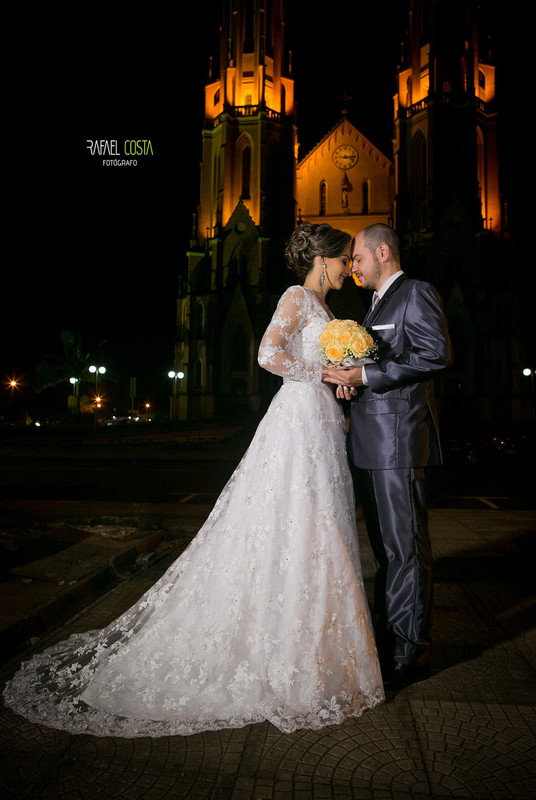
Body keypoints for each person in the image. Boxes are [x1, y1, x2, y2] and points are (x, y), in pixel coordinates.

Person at [3, 222, 384, 737]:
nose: (348, 269)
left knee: (319, 526)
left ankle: (312, 647)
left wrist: (340, 380)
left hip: (321, 418)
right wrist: (322, 374)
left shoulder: (325, 309)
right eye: (343, 260)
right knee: (296, 517)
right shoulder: (296, 297)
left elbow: (310, 357)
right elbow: (267, 354)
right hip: (297, 420)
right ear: (322, 261)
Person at [323, 223, 452, 688]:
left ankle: (411, 653)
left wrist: (366, 377)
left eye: (358, 258)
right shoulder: (377, 302)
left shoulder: (416, 293)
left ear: (383, 252)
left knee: (405, 550)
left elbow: (435, 354)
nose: (353, 267)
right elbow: (385, 361)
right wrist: (351, 380)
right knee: (387, 553)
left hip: (398, 441)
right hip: (371, 443)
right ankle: (391, 638)